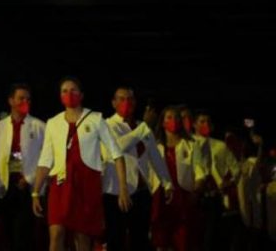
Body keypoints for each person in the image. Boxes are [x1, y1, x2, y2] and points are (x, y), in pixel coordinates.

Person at [32, 77, 129, 251]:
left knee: (82, 238)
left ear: (82, 95)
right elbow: (45, 160)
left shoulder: (96, 119)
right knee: (56, 233)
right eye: (64, 91)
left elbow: (117, 154)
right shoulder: (53, 123)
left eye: (73, 90)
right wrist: (36, 192)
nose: (69, 94)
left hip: (86, 185)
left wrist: (123, 189)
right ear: (60, 96)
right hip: (60, 185)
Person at [101, 88, 172, 251]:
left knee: (140, 241)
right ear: (113, 103)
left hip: (141, 191)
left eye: (130, 99)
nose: (127, 103)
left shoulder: (141, 126)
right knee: (116, 240)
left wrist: (167, 183)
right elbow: (117, 147)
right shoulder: (106, 125)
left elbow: (155, 156)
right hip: (116, 192)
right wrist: (144, 127)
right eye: (121, 99)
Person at [0, 84, 45, 251]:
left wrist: (29, 179)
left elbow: (46, 159)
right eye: (21, 98)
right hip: (3, 187)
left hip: (27, 188)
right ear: (11, 101)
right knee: (3, 236)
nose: (25, 101)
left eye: (28, 99)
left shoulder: (40, 126)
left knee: (24, 236)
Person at [150, 106, 204, 251]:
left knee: (183, 242)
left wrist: (196, 192)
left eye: (176, 118)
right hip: (160, 199)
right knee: (161, 243)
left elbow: (200, 172)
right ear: (162, 122)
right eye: (169, 117)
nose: (173, 121)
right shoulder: (154, 146)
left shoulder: (192, 145)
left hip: (183, 199)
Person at [193, 110, 240, 250]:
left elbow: (236, 169)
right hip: (193, 195)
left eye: (208, 121)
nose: (205, 124)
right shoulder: (188, 143)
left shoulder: (220, 146)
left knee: (211, 235)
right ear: (194, 124)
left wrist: (229, 183)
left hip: (213, 196)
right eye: (201, 121)